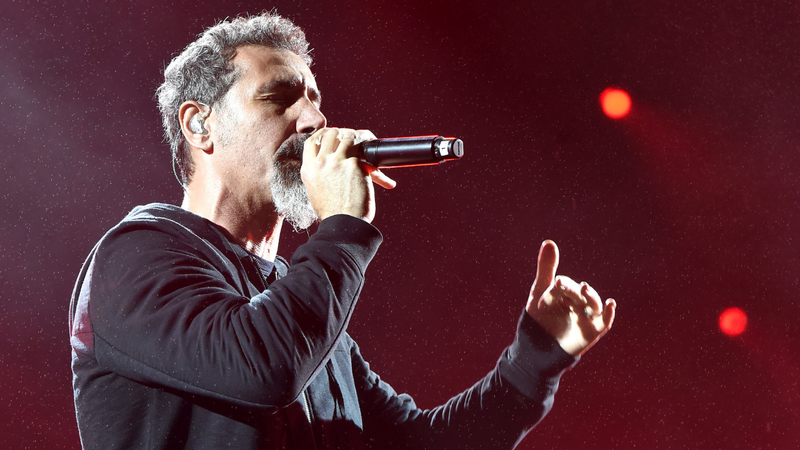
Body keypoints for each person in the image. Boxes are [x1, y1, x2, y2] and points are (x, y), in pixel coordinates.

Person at [69, 12, 616, 450]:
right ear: (199, 124)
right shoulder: (137, 254)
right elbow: (262, 368)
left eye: (315, 102)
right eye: (281, 98)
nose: (313, 122)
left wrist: (536, 359)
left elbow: (417, 444)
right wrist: (345, 228)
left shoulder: (297, 300)